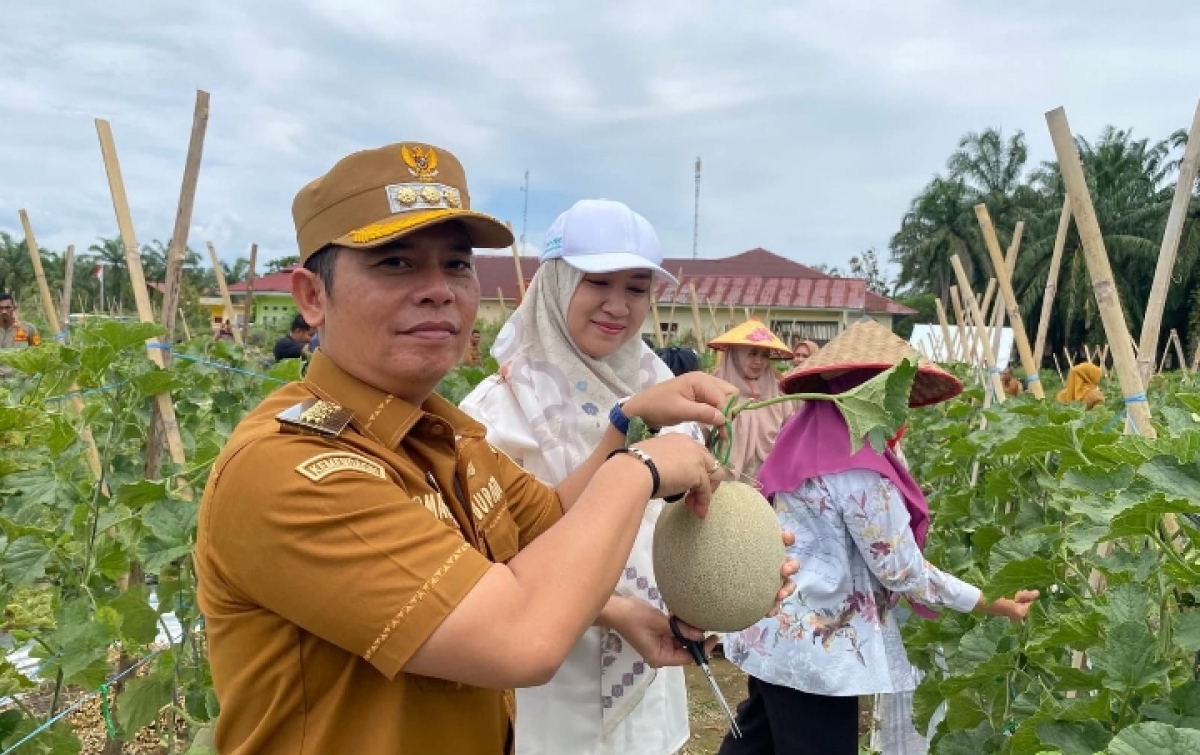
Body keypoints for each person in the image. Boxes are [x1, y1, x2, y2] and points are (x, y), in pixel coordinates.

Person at [195, 142, 795, 755]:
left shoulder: (448, 436)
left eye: (456, 265)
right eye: (395, 262)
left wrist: (715, 564)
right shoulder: (290, 468)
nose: (438, 290)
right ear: (312, 297)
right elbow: (521, 638)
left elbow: (554, 527)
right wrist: (637, 468)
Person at [460, 199, 728, 755]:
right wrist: (613, 611)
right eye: (597, 281)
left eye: (635, 288)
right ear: (556, 285)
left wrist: (729, 575)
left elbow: (687, 519)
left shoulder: (669, 395)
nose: (617, 305)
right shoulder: (500, 408)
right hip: (549, 689)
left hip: (652, 677)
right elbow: (485, 561)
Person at [720, 318, 1039, 755]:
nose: (900, 408)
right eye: (895, 394)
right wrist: (994, 602)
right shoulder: (860, 473)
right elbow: (904, 573)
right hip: (822, 654)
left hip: (776, 633)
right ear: (869, 397)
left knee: (754, 744)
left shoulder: (800, 442)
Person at [707, 319, 795, 482]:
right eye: (752, 353)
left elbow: (791, 438)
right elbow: (699, 438)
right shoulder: (712, 390)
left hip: (767, 485)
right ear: (736, 355)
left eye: (764, 355)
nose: (759, 362)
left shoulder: (778, 395)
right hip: (721, 484)